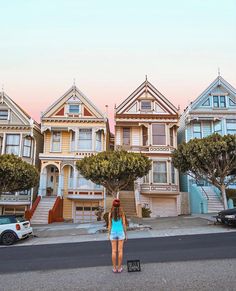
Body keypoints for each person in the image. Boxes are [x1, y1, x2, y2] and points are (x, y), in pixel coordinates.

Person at [108, 198, 127, 273]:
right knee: (120, 251)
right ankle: (119, 268)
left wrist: (108, 234)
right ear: (120, 205)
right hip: (120, 232)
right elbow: (124, 224)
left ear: (113, 205)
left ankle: (114, 268)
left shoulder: (110, 214)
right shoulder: (122, 213)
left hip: (113, 232)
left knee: (113, 251)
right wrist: (126, 234)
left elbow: (109, 225)